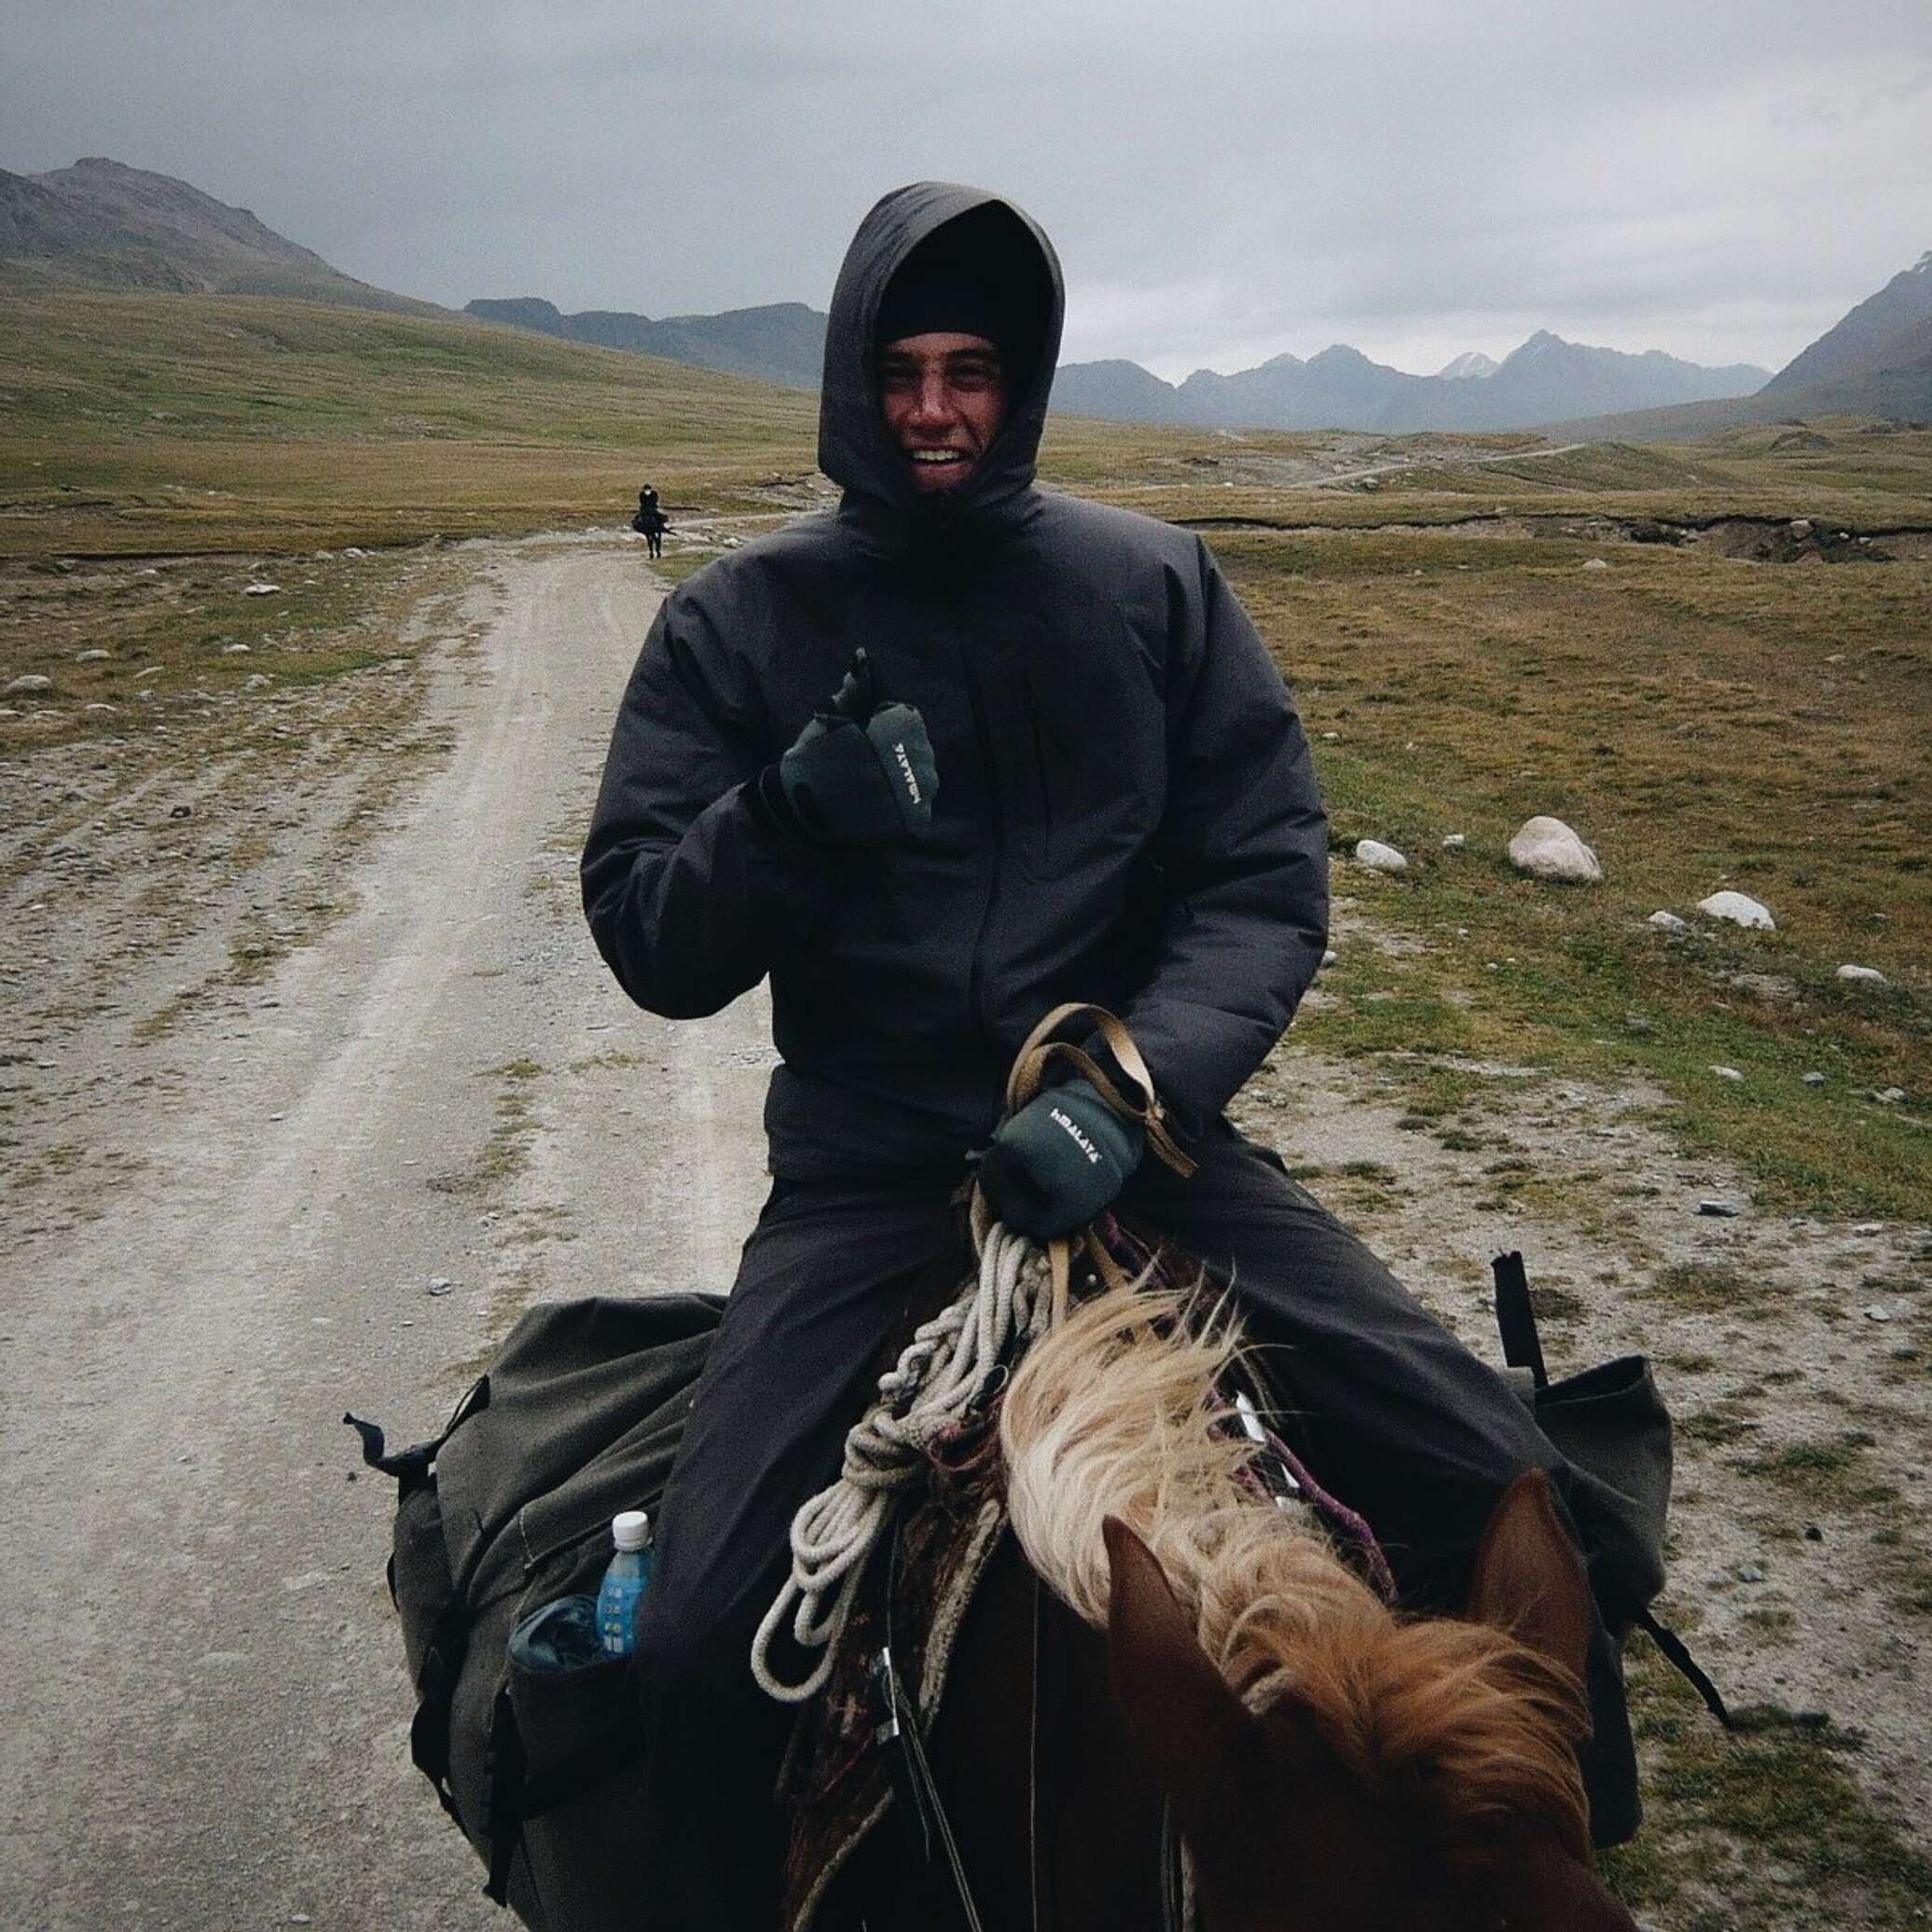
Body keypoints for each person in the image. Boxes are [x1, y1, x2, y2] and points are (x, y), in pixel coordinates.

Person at [581, 181, 1638, 1926]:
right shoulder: (734, 624)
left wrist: (1142, 1087)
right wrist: (778, 814)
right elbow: (647, 935)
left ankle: (1543, 1864)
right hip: (870, 1191)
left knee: (1528, 1498)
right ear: (854, 381)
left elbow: (1257, 876)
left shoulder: (1151, 584)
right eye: (903, 369)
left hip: (1149, 1154)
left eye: (972, 368)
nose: (935, 407)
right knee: (699, 1644)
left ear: (1024, 381)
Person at [633, 484, 665, 559]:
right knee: (638, 518)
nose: (647, 491)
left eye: (648, 489)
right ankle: (640, 526)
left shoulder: (654, 493)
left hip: (652, 508)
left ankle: (661, 525)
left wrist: (652, 506)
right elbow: (641, 502)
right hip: (644, 509)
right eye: (646, 489)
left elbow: (655, 500)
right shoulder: (642, 494)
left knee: (660, 516)